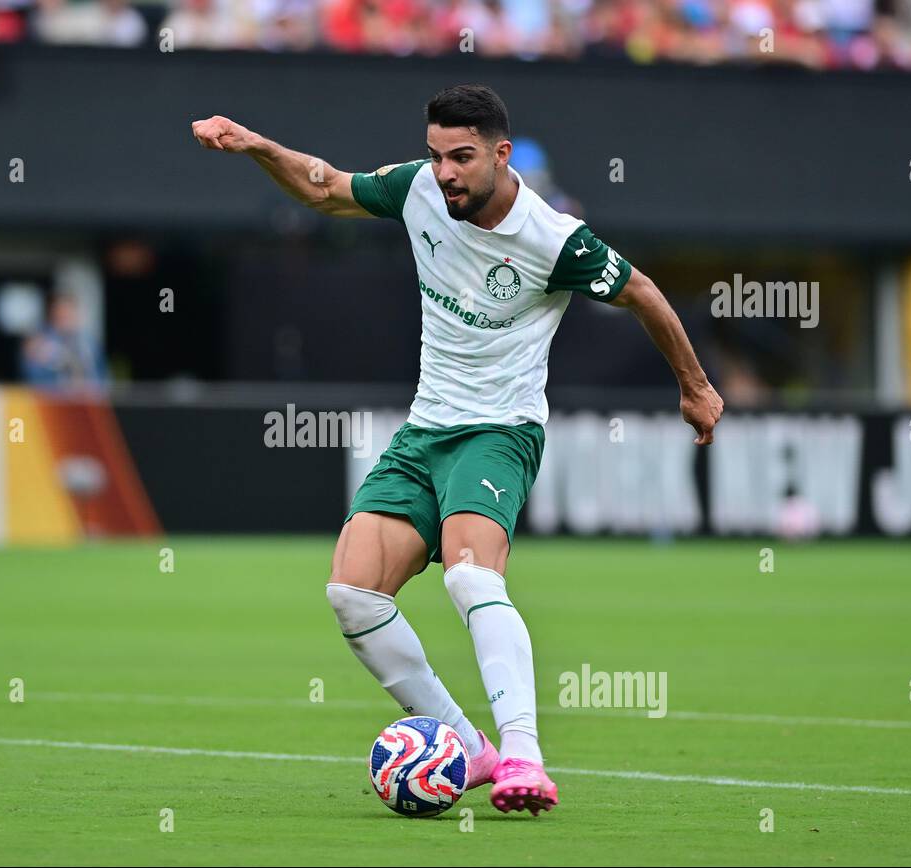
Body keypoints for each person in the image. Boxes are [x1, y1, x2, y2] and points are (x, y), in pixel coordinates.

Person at [191, 84, 723, 817]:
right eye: (438, 155)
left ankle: (524, 755)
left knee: (471, 580)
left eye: (462, 158)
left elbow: (644, 293)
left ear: (502, 156)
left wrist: (695, 388)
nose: (445, 172)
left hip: (499, 431)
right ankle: (468, 747)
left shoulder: (553, 238)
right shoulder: (416, 189)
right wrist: (257, 146)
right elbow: (325, 189)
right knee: (351, 593)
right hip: (424, 431)